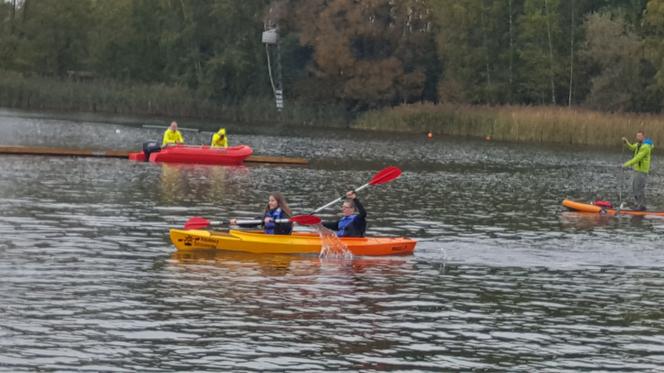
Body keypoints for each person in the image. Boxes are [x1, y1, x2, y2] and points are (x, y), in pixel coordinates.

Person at [622, 130, 654, 211]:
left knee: (639, 189)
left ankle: (642, 206)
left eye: (640, 136)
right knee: (634, 188)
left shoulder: (645, 147)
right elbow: (632, 147)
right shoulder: (638, 144)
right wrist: (627, 142)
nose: (638, 137)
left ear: (643, 136)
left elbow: (637, 158)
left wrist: (626, 164)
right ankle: (638, 204)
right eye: (637, 136)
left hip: (642, 171)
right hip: (637, 170)